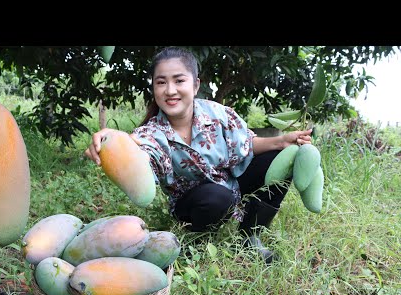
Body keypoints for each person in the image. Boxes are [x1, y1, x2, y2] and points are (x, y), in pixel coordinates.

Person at [84, 46, 312, 264]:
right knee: (218, 197)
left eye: (179, 80)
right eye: (161, 82)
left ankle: (250, 236)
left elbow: (247, 143)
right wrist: (112, 142)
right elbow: (139, 150)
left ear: (195, 85)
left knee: (282, 157)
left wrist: (282, 141)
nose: (170, 90)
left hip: (230, 186)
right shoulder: (152, 132)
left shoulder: (217, 113)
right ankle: (199, 239)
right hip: (194, 203)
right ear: (154, 89)